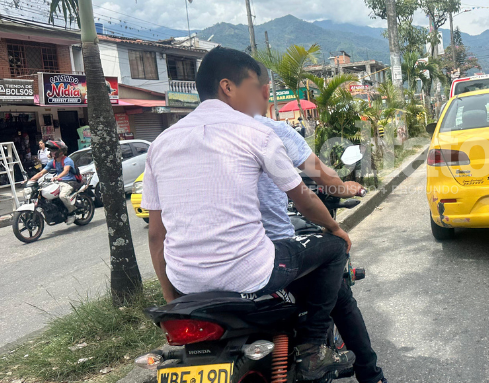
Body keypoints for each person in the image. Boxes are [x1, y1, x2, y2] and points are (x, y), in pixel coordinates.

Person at [141, 47, 355, 380]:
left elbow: (157, 236)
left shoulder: (160, 143)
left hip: (186, 284)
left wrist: (175, 301)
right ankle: (312, 347)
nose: (261, 98)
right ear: (228, 87)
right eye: (255, 88)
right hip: (252, 272)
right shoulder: (257, 132)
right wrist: (334, 228)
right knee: (333, 249)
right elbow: (302, 198)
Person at [252, 62, 386, 383]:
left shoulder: (176, 137)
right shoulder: (270, 131)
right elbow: (313, 187)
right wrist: (339, 208)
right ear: (263, 91)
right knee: (336, 262)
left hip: (195, 277)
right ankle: (355, 367)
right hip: (268, 257)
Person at [29, 140, 78, 224]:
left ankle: (72, 212)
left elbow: (66, 171)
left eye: (54, 150)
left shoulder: (67, 160)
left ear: (60, 151)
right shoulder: (53, 162)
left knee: (62, 196)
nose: (51, 152)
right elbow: (41, 172)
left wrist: (58, 177)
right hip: (59, 182)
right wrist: (31, 180)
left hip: (70, 181)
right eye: (51, 150)